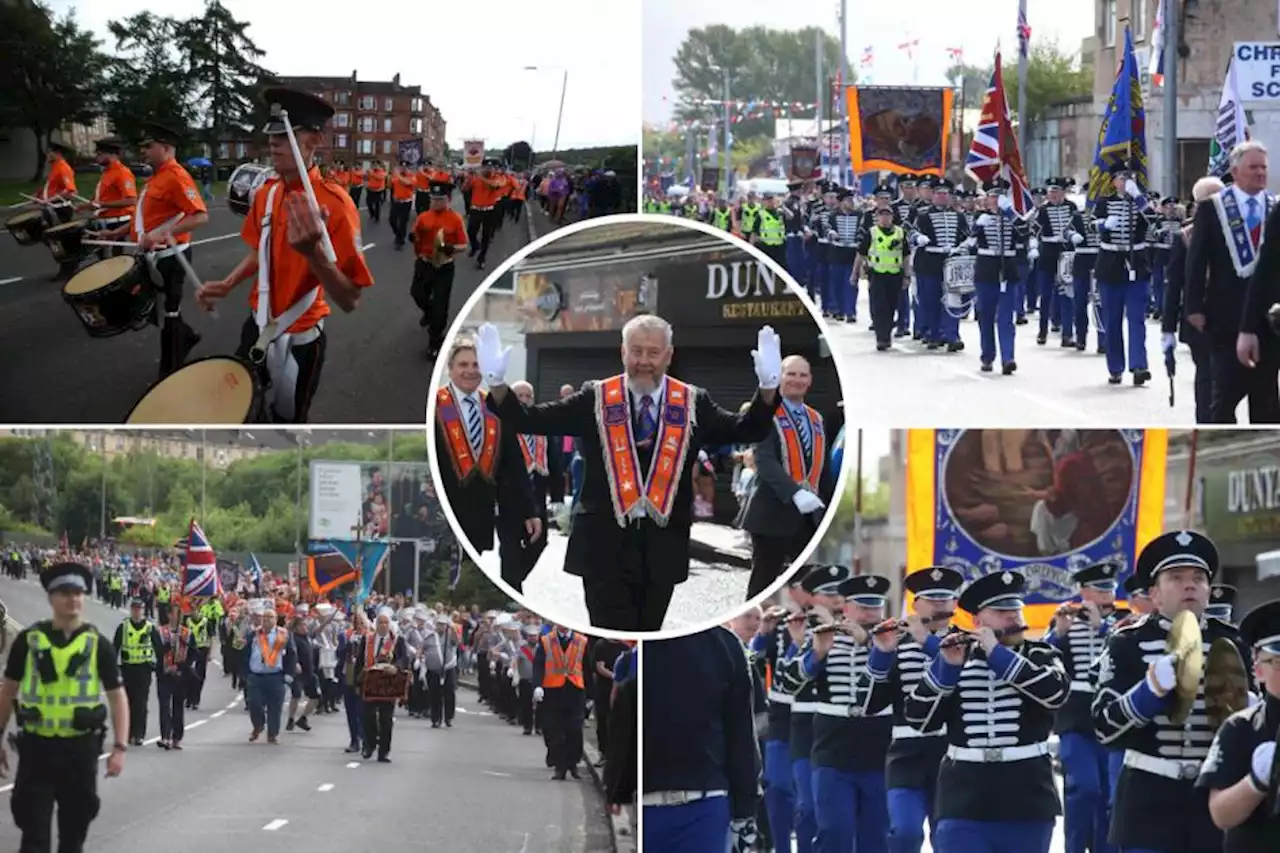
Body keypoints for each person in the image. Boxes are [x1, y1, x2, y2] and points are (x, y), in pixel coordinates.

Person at [476, 315, 781, 631]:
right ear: (623, 352)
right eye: (636, 351)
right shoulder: (595, 397)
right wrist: (497, 384)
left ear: (669, 355)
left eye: (653, 352)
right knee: (610, 641)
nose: (644, 361)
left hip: (663, 549)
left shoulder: (693, 402)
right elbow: (530, 420)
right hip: (603, 550)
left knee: (648, 637)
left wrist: (769, 388)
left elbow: (748, 428)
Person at [196, 86, 374, 424]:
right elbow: (260, 253)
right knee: (233, 413)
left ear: (315, 141)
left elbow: (350, 299)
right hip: (257, 324)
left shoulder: (336, 205)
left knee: (287, 425)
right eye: (273, 134)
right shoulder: (266, 193)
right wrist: (228, 282)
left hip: (302, 338)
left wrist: (314, 254)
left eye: (288, 133)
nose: (274, 142)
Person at [1093, 530, 1249, 853]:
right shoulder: (1127, 644)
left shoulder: (1236, 643)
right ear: (1155, 594)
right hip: (1148, 800)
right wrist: (1147, 692)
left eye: (1198, 578)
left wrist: (1252, 708)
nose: (1189, 585)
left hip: (1214, 798)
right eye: (1176, 577)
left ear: (1208, 590)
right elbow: (1103, 727)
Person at [904, 569, 1068, 853]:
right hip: (963, 799)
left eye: (1016, 609)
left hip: (1027, 797)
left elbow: (1055, 693)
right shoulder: (957, 656)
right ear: (978, 621)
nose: (1013, 617)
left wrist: (998, 655)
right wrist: (945, 669)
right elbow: (920, 719)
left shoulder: (1041, 654)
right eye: (1001, 611)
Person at [0, 562, 129, 853]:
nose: (72, 598)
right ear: (51, 598)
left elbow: (117, 696)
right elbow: (8, 690)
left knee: (74, 836)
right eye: (64, 592)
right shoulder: (29, 641)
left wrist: (119, 747)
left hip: (80, 751)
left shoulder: (97, 644)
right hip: (37, 749)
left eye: (78, 592)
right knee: (34, 836)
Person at [97, 122, 210, 378]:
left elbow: (200, 216)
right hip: (153, 256)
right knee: (157, 311)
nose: (143, 151)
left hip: (172, 257)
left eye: (149, 146)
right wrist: (116, 232)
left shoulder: (177, 176)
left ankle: (170, 370)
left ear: (167, 148)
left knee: (168, 312)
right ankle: (188, 337)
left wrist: (160, 234)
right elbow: (144, 217)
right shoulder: (155, 178)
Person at [863, 566, 963, 853]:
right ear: (916, 604)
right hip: (906, 752)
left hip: (951, 752)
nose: (939, 604)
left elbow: (965, 676)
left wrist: (927, 641)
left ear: (955, 604)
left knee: (947, 837)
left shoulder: (968, 642)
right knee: (904, 832)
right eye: (931, 599)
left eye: (945, 598)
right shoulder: (897, 643)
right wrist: (880, 653)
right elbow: (869, 703)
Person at [643, 628, 760, 852]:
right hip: (648, 805)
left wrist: (744, 812)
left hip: (704, 806)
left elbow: (741, 735)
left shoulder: (723, 644)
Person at [802, 574, 896, 853]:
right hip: (833, 744)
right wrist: (816, 655)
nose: (871, 614)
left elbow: (898, 679)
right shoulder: (823, 635)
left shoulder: (895, 640)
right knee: (834, 830)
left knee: (875, 834)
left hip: (877, 744)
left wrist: (869, 642)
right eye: (863, 607)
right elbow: (793, 681)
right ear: (846, 609)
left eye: (875, 607)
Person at [433, 337, 539, 577]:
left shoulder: (495, 407)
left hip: (480, 511)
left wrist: (529, 509)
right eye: (463, 364)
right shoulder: (436, 406)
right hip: (444, 512)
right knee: (441, 574)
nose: (470, 371)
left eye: (476, 364)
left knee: (469, 574)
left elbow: (514, 464)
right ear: (450, 368)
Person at [1045, 561, 1123, 853]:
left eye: (1109, 590)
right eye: (1099, 590)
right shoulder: (1065, 622)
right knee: (1084, 787)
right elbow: (1043, 659)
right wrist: (1058, 633)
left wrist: (1102, 628)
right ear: (1084, 592)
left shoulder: (1121, 624)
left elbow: (1126, 652)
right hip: (1075, 719)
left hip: (1110, 718)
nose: (1105, 597)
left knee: (1109, 796)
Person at [739, 355, 832, 599]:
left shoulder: (816, 419)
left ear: (810, 380)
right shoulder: (765, 414)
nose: (797, 380)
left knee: (810, 587)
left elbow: (822, 468)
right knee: (763, 587)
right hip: (772, 515)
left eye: (803, 375)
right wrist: (795, 492)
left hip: (809, 518)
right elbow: (764, 461)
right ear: (780, 377)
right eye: (791, 374)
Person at [1196, 598, 1280, 851]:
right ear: (1258, 669)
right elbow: (1221, 814)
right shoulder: (1241, 728)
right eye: (1278, 661)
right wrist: (1255, 782)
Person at [1163, 176, 1225, 423]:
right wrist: (1167, 329)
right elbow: (1174, 283)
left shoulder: (1237, 232)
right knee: (1207, 379)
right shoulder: (1186, 235)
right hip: (1199, 319)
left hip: (1232, 318)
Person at [1094, 163, 1154, 386]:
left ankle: (1139, 366)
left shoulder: (1142, 202)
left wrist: (1138, 197)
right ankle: (1115, 367)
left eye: (1131, 177)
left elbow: (1154, 222)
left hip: (1136, 263)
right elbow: (1090, 226)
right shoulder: (1105, 202)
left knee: (1137, 318)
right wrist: (1103, 226)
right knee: (1113, 320)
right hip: (1110, 264)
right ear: (1114, 181)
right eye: (1122, 177)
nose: (1127, 180)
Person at [507, 380, 566, 593]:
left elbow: (555, 463)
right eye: (519, 396)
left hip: (537, 500)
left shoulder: (542, 426)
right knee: (509, 551)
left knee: (538, 544)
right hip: (509, 502)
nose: (524, 400)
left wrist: (558, 498)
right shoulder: (503, 424)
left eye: (527, 396)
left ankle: (512, 581)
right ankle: (513, 586)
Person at [964, 179, 1022, 375]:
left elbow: (1025, 233)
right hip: (986, 270)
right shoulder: (979, 217)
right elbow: (969, 243)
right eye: (992, 196)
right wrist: (977, 227)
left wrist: (1011, 215)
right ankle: (987, 356)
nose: (995, 200)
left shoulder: (1014, 217)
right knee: (986, 315)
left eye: (999, 196)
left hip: (1007, 270)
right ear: (987, 199)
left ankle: (1008, 358)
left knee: (1006, 317)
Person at [410, 181, 468, 357]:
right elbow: (416, 233)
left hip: (444, 266)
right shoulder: (423, 217)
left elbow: (464, 245)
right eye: (433, 199)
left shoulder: (455, 219)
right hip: (425, 263)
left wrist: (452, 248)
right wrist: (413, 237)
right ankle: (428, 313)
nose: (435, 203)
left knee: (440, 305)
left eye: (440, 199)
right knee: (417, 293)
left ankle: (435, 341)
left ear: (448, 200)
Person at [911, 178, 970, 351]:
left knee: (952, 299)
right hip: (929, 263)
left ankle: (952, 335)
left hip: (951, 263)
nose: (941, 197)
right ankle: (933, 334)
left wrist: (963, 247)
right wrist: (918, 238)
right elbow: (910, 233)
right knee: (930, 300)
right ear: (933, 195)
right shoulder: (923, 216)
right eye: (938, 193)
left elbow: (966, 236)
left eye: (945, 193)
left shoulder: (959, 216)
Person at [533, 623, 589, 780]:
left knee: (574, 730)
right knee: (556, 731)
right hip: (553, 691)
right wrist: (537, 686)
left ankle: (573, 764)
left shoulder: (582, 641)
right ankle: (560, 767)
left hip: (575, 691)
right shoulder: (546, 640)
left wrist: (591, 695)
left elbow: (587, 668)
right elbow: (539, 664)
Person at [354, 608, 408, 762]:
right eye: (380, 622)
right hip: (370, 683)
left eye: (386, 622)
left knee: (386, 718)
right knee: (367, 716)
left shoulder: (397, 640)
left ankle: (384, 751)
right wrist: (357, 683)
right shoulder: (367, 639)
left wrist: (396, 666)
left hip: (388, 685)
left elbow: (404, 658)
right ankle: (369, 744)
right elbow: (359, 661)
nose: (383, 625)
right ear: (376, 624)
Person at [244, 606, 296, 745]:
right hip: (256, 676)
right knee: (254, 703)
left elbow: (291, 654)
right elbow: (245, 652)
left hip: (275, 676)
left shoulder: (283, 634)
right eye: (264, 617)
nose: (266, 620)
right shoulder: (254, 634)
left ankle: (272, 733)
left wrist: (289, 674)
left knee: (275, 706)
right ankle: (258, 725)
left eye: (270, 617)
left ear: (275, 619)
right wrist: (244, 673)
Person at [81, 137, 136, 260]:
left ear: (112, 154)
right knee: (101, 256)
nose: (96, 157)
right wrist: (87, 205)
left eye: (100, 154)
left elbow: (131, 200)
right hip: (104, 220)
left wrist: (101, 204)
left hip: (117, 221)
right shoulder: (106, 172)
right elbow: (102, 196)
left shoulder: (122, 172)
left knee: (115, 258)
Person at [113, 597, 159, 746]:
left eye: (139, 609)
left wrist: (158, 666)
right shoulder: (124, 627)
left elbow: (159, 650)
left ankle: (139, 734)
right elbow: (115, 648)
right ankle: (128, 733)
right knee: (127, 702)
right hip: (127, 669)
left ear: (143, 611)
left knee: (141, 703)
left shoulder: (150, 628)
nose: (137, 612)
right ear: (131, 610)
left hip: (144, 670)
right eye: (134, 609)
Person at [154, 602, 193, 750]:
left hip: (180, 674)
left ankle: (177, 737)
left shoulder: (186, 633)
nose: (179, 616)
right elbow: (156, 652)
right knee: (164, 706)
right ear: (169, 615)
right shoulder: (160, 632)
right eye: (176, 613)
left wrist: (181, 666)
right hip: (164, 674)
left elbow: (193, 654)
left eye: (180, 613)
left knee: (178, 707)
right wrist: (168, 645)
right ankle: (165, 736)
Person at [467, 158, 507, 270]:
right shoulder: (476, 178)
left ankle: (481, 259)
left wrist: (481, 177)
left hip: (489, 211)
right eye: (486, 167)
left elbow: (494, 185)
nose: (488, 169)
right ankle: (475, 245)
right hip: (476, 209)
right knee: (470, 231)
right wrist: (469, 178)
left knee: (486, 236)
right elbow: (465, 189)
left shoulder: (499, 178)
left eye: (491, 167)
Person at [389, 160, 416, 250]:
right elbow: (390, 186)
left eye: (405, 167)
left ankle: (399, 240)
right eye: (401, 167)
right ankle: (398, 234)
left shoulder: (412, 176)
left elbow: (407, 183)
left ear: (408, 169)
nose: (403, 168)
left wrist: (397, 175)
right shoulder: (396, 176)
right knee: (392, 220)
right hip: (396, 201)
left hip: (406, 202)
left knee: (402, 222)